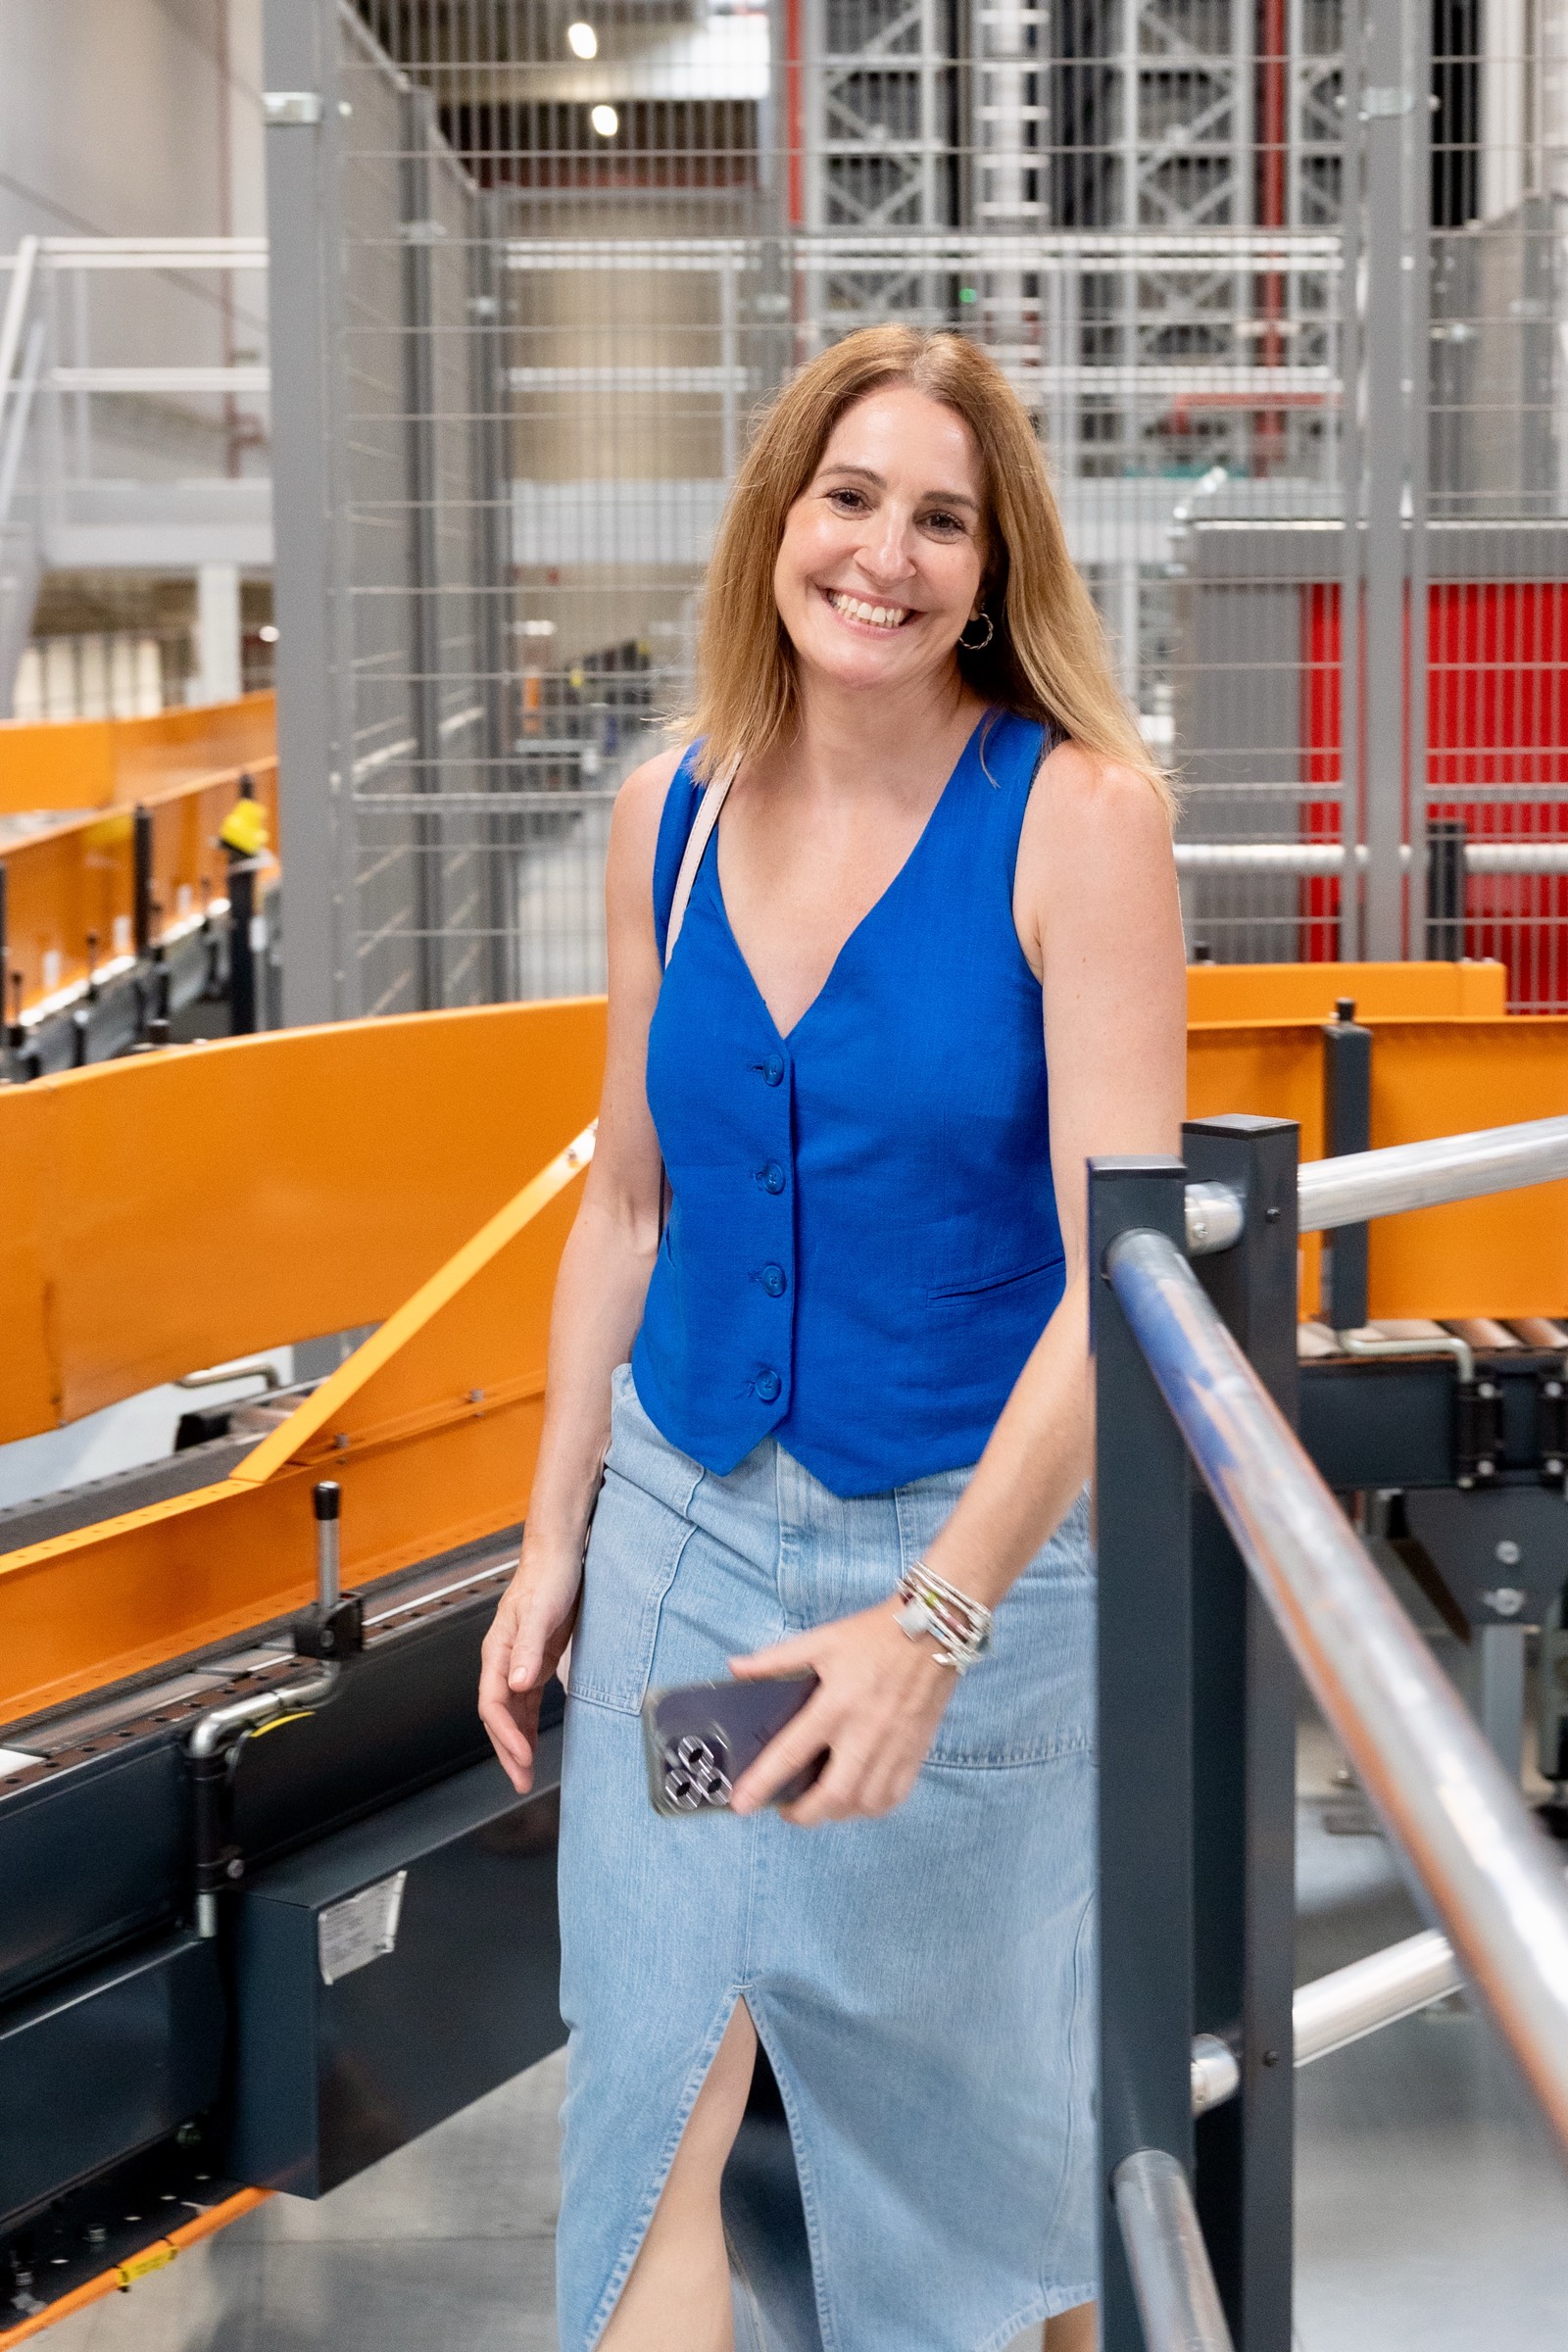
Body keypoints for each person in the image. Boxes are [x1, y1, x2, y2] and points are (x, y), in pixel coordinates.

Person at [479, 322, 1186, 2352]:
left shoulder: (1077, 821)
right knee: (659, 2083)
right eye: (849, 497)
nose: (884, 555)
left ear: (995, 567)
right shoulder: (671, 817)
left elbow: (1117, 1273)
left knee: (962, 2175)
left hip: (973, 1591)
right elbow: (629, 1206)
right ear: (775, 519)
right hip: (692, 1571)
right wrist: (551, 1542)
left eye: (941, 521)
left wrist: (934, 1621)